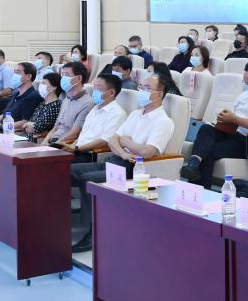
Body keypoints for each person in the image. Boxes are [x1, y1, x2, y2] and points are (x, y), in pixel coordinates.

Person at [71, 73, 176, 252]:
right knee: (68, 170)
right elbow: (113, 140)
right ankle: (66, 219)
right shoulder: (135, 114)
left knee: (89, 179)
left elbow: (148, 151)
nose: (141, 91)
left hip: (134, 168)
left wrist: (126, 142)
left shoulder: (163, 121)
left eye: (146, 88)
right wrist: (123, 152)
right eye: (140, 87)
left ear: (159, 94)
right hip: (117, 159)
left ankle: (94, 233)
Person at [181, 61, 248, 189]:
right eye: (245, 82)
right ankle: (194, 163)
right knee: (205, 128)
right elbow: (234, 117)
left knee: (209, 150)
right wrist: (225, 119)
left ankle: (199, 190)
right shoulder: (244, 95)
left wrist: (234, 119)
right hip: (232, 133)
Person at [60, 73, 127, 162]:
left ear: (111, 93)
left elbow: (104, 141)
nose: (94, 91)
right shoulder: (95, 109)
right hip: (77, 150)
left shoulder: (117, 114)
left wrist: (77, 149)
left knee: (56, 165)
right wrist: (71, 147)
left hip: (89, 155)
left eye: (98, 87)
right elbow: (83, 135)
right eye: (94, 86)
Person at [41, 62, 93, 147]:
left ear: (78, 78)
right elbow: (56, 127)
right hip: (53, 141)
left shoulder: (87, 103)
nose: (63, 78)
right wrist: (45, 140)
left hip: (65, 144)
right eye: (62, 75)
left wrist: (53, 145)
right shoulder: (66, 99)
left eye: (66, 75)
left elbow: (74, 133)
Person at [0, 62, 42, 132]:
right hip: (2, 129)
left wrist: (1, 127)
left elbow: (25, 122)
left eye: (18, 72)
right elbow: (5, 113)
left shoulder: (33, 96)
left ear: (28, 77)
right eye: (14, 72)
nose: (14, 75)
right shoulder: (15, 93)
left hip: (14, 132)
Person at [21, 72, 63, 143]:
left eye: (44, 83)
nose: (40, 86)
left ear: (54, 87)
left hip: (38, 141)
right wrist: (29, 125)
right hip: (27, 138)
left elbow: (38, 127)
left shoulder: (56, 105)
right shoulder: (42, 103)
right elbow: (31, 122)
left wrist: (29, 125)